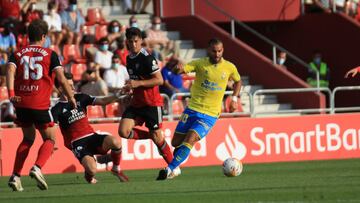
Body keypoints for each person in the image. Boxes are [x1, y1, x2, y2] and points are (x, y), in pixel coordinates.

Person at [156, 38, 242, 180]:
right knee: (175, 142)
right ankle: (175, 166)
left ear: (223, 50)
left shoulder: (229, 67)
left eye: (219, 51)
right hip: (192, 110)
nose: (217, 54)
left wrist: (234, 99)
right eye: (214, 51)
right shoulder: (199, 63)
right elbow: (183, 69)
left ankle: (168, 169)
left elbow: (238, 81)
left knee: (191, 138)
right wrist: (177, 69)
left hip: (210, 114)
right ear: (208, 50)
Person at [6, 19, 76, 191]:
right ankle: (37, 167)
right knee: (51, 139)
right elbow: (61, 78)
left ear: (28, 36)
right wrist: (71, 97)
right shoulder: (50, 54)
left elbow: (9, 70)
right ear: (44, 36)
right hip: (39, 104)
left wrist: (11, 95)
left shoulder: (17, 53)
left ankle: (15, 176)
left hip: (21, 103)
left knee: (28, 139)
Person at [51, 73, 128, 184]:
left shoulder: (80, 98)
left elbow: (102, 101)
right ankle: (89, 175)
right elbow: (52, 128)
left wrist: (118, 95)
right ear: (60, 88)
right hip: (77, 143)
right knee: (92, 169)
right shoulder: (56, 109)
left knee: (115, 142)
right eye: (69, 86)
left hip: (91, 136)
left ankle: (116, 168)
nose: (73, 88)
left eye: (73, 85)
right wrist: (51, 143)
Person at [118, 27, 176, 170]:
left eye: (136, 41)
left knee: (158, 137)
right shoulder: (128, 59)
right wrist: (130, 88)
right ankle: (151, 136)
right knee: (123, 131)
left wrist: (137, 83)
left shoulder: (148, 58)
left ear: (141, 41)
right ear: (127, 42)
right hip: (137, 103)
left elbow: (159, 80)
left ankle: (174, 166)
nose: (133, 44)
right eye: (130, 42)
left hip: (151, 103)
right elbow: (136, 80)